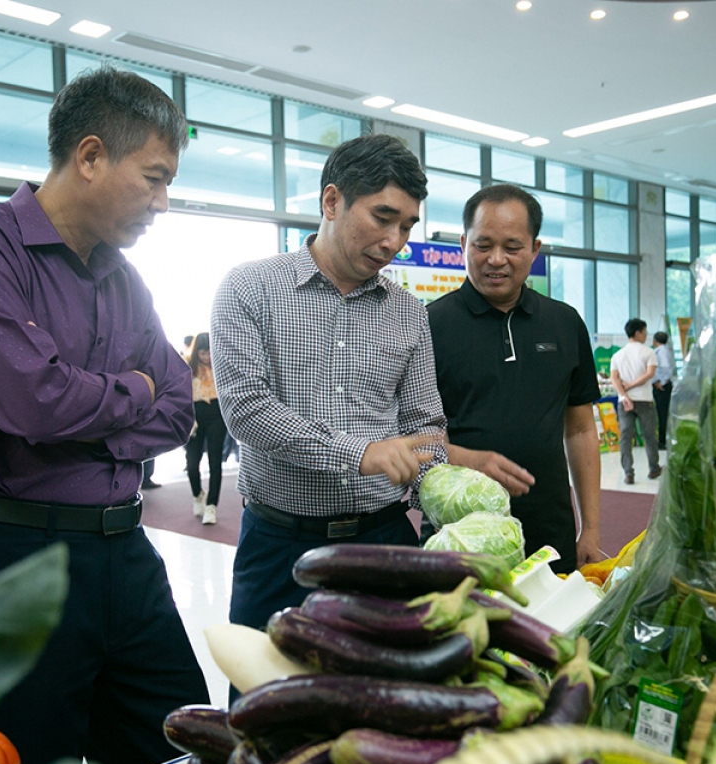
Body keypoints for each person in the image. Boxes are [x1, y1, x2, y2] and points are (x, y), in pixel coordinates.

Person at [0, 67, 208, 764]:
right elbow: (32, 401)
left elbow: (176, 410)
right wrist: (126, 389)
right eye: (154, 178)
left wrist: (92, 404)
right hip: (12, 554)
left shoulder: (124, 278)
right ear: (89, 157)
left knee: (180, 754)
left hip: (126, 557)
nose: (163, 203)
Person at [212, 133, 447, 631]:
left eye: (406, 226)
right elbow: (248, 411)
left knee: (385, 699)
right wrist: (359, 453)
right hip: (281, 547)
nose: (394, 242)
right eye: (382, 218)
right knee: (267, 696)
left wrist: (449, 509)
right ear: (332, 200)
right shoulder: (249, 288)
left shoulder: (408, 312)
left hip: (383, 541)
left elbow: (426, 427)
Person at [428, 185, 601, 574]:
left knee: (551, 629)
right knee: (464, 631)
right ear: (463, 243)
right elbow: (413, 434)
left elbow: (580, 431)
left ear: (535, 249)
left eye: (513, 246)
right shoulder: (428, 325)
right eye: (483, 245)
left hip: (550, 527)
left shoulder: (564, 322)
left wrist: (590, 528)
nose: (496, 260)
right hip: (458, 531)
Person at [610, 318, 661, 485]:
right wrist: (632, 386)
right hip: (644, 400)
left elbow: (614, 378)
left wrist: (624, 395)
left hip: (624, 402)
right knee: (649, 436)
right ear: (638, 333)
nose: (646, 336)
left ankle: (628, 473)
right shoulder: (648, 352)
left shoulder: (617, 355)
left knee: (625, 437)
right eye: (645, 332)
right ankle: (654, 469)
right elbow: (649, 374)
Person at [184, 332, 226, 525]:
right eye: (202, 353)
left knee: (215, 462)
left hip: (217, 415)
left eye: (209, 352)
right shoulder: (187, 368)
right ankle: (198, 495)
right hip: (194, 417)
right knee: (192, 463)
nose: (207, 357)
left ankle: (211, 506)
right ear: (196, 352)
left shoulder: (221, 366)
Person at [651, 330, 675, 449]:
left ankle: (662, 441)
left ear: (655, 340)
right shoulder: (663, 351)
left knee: (662, 414)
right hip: (661, 385)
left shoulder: (662, 352)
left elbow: (666, 368)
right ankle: (662, 439)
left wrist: (662, 382)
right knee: (662, 413)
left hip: (662, 387)